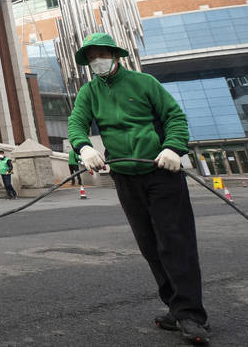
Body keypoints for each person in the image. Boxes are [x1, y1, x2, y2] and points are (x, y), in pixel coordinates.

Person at [68, 33, 210, 345]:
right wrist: (83, 147)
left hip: (161, 171)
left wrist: (173, 148)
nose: (97, 62)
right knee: (149, 245)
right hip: (124, 175)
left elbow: (174, 116)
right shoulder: (89, 92)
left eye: (101, 55)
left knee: (175, 242)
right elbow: (77, 124)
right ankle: (175, 306)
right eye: (91, 58)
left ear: (114, 55)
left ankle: (190, 314)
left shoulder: (144, 83)